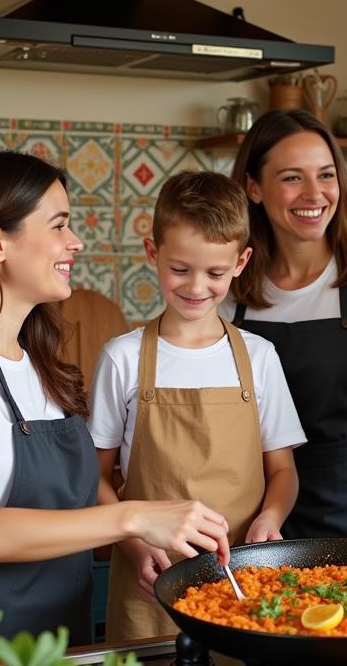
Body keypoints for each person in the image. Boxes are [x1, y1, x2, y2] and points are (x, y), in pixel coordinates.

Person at [0, 149, 230, 666]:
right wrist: (132, 518)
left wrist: (135, 543)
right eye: (58, 225)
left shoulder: (37, 363)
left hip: (59, 647)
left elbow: (62, 509)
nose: (74, 242)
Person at [89, 170, 304, 640]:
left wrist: (271, 517)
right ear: (153, 253)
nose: (196, 287)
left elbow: (283, 471)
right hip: (149, 581)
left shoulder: (259, 357)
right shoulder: (122, 358)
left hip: (243, 585)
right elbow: (96, 478)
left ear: (242, 261)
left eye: (215, 272)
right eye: (180, 269)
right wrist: (134, 546)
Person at [223, 109, 347, 539]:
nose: (315, 194)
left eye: (326, 175)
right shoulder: (227, 288)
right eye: (292, 177)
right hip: (250, 512)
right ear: (253, 187)